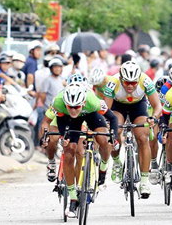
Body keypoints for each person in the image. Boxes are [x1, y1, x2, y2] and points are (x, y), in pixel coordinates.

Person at [40, 82, 118, 217]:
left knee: (104, 141)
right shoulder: (58, 102)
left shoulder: (93, 101)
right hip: (67, 120)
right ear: (65, 103)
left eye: (77, 106)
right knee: (69, 151)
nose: (74, 109)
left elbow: (113, 118)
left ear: (83, 102)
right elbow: (60, 122)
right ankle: (73, 198)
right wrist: (66, 137)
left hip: (91, 114)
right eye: (71, 106)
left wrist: (114, 137)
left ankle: (103, 170)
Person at [103, 61, 162, 198]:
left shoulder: (145, 81)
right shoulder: (113, 82)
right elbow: (106, 109)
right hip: (118, 106)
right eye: (127, 82)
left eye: (134, 83)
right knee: (115, 130)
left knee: (142, 137)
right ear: (121, 78)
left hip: (138, 106)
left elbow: (157, 106)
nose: (130, 86)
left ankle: (144, 181)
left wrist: (153, 117)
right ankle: (117, 161)